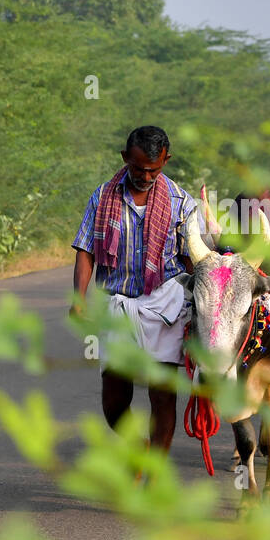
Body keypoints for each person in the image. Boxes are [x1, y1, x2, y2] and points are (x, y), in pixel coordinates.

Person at [70, 125, 199, 451]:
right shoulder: (102, 197)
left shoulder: (181, 203)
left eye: (153, 170)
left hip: (166, 306)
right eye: (138, 168)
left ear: (166, 161)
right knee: (113, 399)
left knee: (162, 394)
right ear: (125, 158)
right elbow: (86, 251)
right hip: (116, 303)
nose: (144, 175)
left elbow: (193, 261)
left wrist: (202, 310)